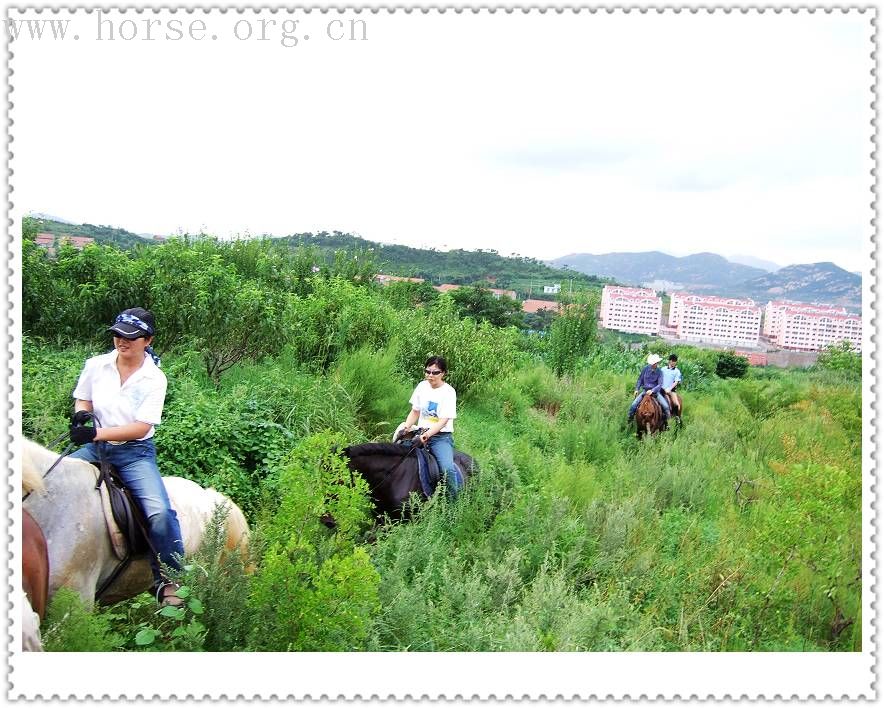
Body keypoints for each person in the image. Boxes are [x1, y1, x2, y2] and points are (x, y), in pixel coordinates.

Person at [67, 307, 185, 607]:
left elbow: (141, 427)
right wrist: (83, 415)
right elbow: (84, 397)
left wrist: (95, 435)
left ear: (148, 340)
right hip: (97, 447)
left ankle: (170, 580)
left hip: (134, 454)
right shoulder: (96, 365)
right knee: (53, 482)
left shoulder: (154, 378)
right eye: (118, 335)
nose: (122, 341)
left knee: (159, 513)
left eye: (131, 337)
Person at [399, 356, 461, 497]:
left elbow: (443, 421)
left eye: (435, 372)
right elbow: (415, 411)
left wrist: (425, 436)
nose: (430, 375)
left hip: (440, 438)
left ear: (443, 373)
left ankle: (453, 504)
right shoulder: (422, 386)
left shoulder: (449, 392)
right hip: (419, 433)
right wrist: (406, 428)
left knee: (446, 469)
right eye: (427, 371)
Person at [628, 353, 671, 423]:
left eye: (655, 363)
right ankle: (629, 422)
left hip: (655, 393)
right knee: (633, 405)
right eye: (653, 363)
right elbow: (640, 380)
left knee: (666, 406)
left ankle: (667, 423)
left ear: (657, 363)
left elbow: (660, 384)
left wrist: (652, 390)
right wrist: (637, 389)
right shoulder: (645, 369)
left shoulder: (660, 372)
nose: (654, 364)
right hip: (645, 391)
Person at [661, 353, 683, 419]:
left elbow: (676, 382)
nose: (674, 362)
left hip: (671, 390)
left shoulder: (677, 371)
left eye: (675, 361)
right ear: (669, 361)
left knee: (676, 404)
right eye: (672, 361)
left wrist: (669, 389)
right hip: (661, 389)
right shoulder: (663, 369)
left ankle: (677, 418)